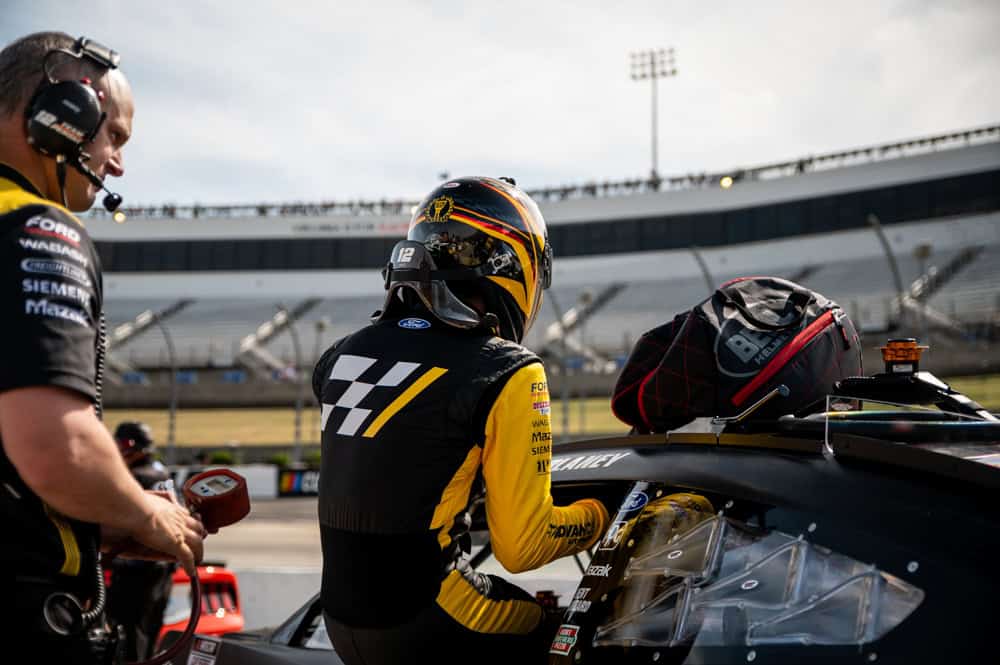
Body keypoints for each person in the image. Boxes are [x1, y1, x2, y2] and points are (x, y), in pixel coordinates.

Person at [314, 176, 609, 664]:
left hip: (340, 621)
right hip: (431, 619)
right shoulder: (507, 369)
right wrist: (603, 514)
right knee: (567, 634)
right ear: (513, 264)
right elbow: (523, 546)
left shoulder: (338, 357)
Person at [0, 32, 205, 663]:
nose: (115, 164)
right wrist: (148, 515)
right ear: (64, 112)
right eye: (113, 135)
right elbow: (54, 445)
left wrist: (98, 514)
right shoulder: (35, 227)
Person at [107, 422, 177, 661]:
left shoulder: (133, 477)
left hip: (134, 569)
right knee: (150, 630)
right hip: (163, 570)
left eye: (122, 444)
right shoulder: (163, 474)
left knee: (128, 633)